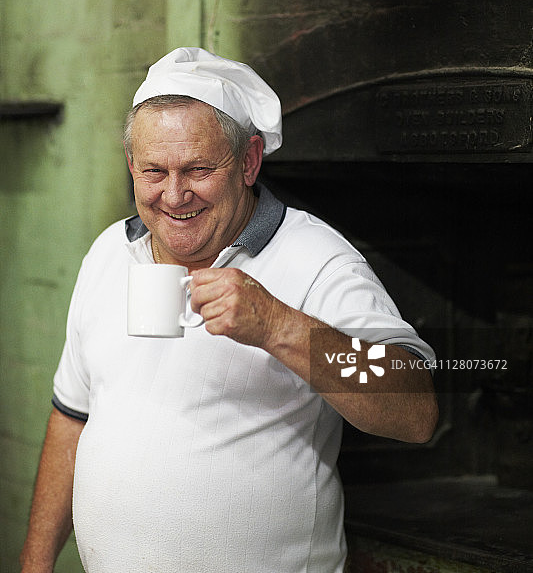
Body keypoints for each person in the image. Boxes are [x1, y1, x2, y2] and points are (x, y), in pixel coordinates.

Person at [20, 47, 438, 573]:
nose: (174, 195)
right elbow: (71, 418)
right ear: (131, 165)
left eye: (198, 169)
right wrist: (34, 564)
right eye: (153, 170)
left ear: (248, 161)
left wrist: (279, 326)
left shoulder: (314, 258)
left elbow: (415, 406)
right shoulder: (109, 252)